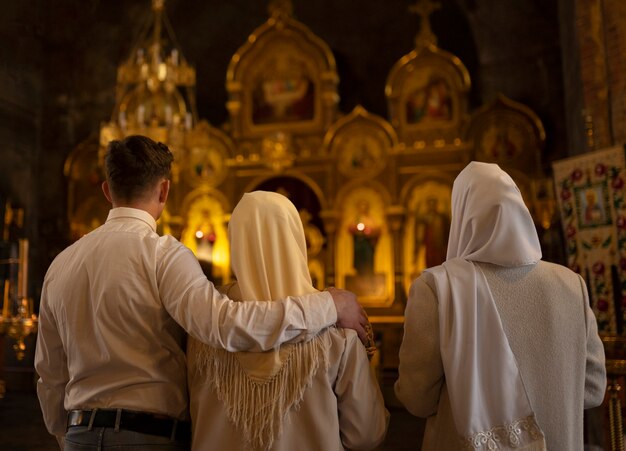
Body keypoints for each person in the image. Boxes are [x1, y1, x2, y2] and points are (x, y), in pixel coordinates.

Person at [35, 135, 368, 450]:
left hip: (79, 435)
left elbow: (50, 373)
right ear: (164, 190)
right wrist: (328, 304)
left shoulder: (61, 265)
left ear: (107, 190)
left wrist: (66, 434)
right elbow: (226, 326)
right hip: (147, 436)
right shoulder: (162, 255)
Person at [395, 162, 606, 450]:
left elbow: (416, 399)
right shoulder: (571, 285)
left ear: (462, 213)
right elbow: (593, 390)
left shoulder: (437, 288)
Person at [187, 191, 388, 451]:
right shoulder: (338, 334)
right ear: (296, 239)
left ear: (235, 241)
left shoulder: (203, 328)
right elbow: (365, 434)